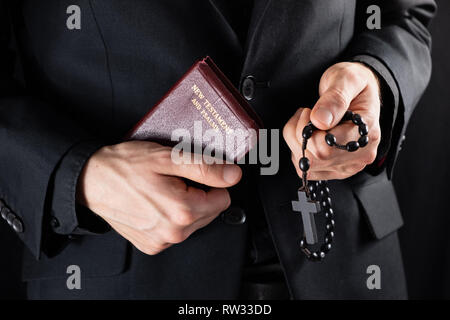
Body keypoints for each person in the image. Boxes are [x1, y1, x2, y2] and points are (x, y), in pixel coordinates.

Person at [0, 0, 435, 299]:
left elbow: (403, 14)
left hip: (346, 265)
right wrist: (79, 177)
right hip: (118, 272)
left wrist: (377, 82)